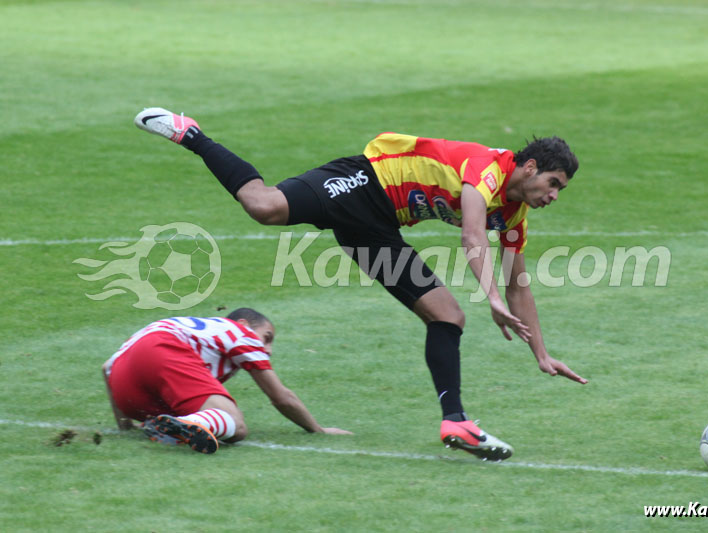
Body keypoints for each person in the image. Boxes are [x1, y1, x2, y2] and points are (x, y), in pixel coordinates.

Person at [134, 107, 588, 461]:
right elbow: (472, 235)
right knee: (264, 206)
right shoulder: (487, 168)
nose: (552, 195)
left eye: (560, 191)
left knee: (447, 315)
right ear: (528, 167)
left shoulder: (514, 215)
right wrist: (490, 296)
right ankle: (191, 135)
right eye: (552, 183)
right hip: (361, 183)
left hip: (379, 229)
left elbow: (518, 285)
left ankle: (456, 423)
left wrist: (542, 354)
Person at [103, 307, 351, 454]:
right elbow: (280, 397)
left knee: (205, 412)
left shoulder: (204, 333)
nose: (268, 349)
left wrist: (125, 425)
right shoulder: (239, 332)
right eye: (266, 337)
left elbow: (107, 367)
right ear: (243, 324)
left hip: (124, 380)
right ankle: (186, 425)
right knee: (235, 425)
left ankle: (168, 426)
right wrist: (317, 430)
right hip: (163, 348)